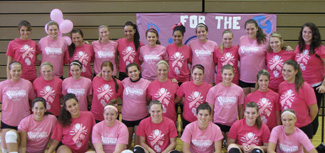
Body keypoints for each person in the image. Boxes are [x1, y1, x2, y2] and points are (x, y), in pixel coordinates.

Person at [295, 22, 325, 136]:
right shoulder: (299, 47)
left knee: (313, 113)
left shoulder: (320, 48)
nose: (307, 34)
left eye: (310, 32)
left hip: (315, 86)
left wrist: (323, 85)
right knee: (302, 112)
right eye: (305, 32)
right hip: (301, 85)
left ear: (314, 34)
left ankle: (310, 137)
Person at [0, 61, 36, 153]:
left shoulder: (27, 84)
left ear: (22, 71)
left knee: (20, 150)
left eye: (19, 70)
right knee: (5, 150)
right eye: (14, 70)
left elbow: (34, 100)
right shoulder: (2, 85)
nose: (16, 73)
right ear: (9, 71)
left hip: (24, 122)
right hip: (7, 121)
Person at [278, 60, 318, 139]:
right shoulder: (281, 86)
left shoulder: (305, 87)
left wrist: (305, 122)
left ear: (296, 71)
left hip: (303, 127)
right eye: (284, 70)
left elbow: (314, 110)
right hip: (286, 127)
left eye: (289, 71)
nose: (285, 73)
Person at [206, 65, 244, 139]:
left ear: (234, 74)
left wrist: (240, 123)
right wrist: (212, 125)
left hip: (233, 123)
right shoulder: (213, 90)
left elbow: (240, 109)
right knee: (218, 147)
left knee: (230, 146)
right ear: (221, 74)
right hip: (218, 122)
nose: (227, 77)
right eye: (225, 74)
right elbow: (210, 110)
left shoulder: (239, 90)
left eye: (230, 74)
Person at [122, 63, 151, 148]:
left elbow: (149, 98)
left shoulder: (147, 83)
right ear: (127, 73)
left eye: (135, 71)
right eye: (130, 72)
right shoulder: (124, 82)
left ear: (139, 71)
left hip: (141, 117)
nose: (133, 73)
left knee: (137, 146)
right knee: (125, 146)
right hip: (126, 117)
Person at [175, 64, 212, 130]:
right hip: (187, 119)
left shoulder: (208, 87)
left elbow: (209, 104)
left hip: (201, 120)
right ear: (191, 74)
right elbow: (178, 99)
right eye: (195, 74)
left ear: (203, 75)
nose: (197, 76)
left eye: (200, 74)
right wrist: (187, 102)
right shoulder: (185, 85)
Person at [238, 19, 268, 95]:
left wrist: (286, 47)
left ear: (257, 28)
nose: (250, 31)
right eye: (248, 29)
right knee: (245, 103)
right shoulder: (242, 39)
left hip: (258, 78)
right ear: (245, 29)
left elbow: (275, 51)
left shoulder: (265, 40)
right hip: (243, 77)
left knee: (255, 103)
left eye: (252, 29)